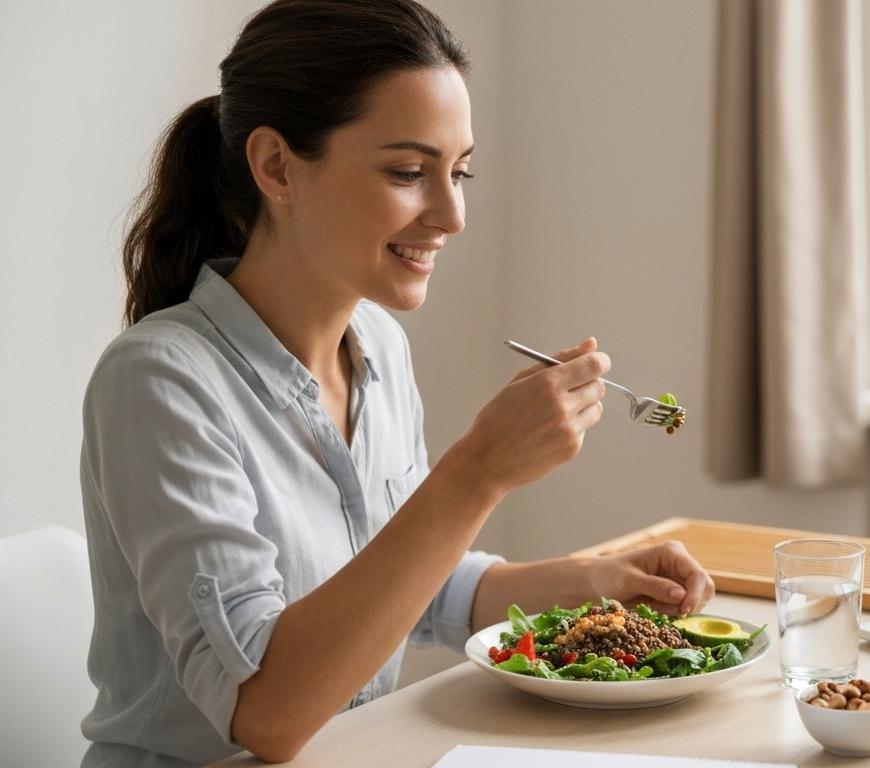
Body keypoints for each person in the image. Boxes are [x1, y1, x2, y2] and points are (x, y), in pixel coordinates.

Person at [78, 1, 715, 764]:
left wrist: (590, 583)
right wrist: (477, 472)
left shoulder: (378, 346)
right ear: (277, 165)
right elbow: (267, 715)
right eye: (410, 172)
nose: (451, 214)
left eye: (460, 171)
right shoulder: (160, 382)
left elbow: (411, 587)